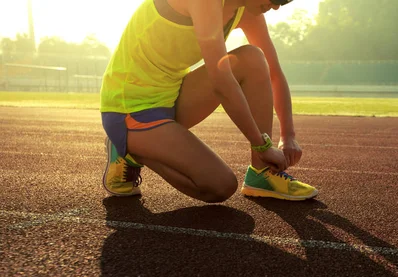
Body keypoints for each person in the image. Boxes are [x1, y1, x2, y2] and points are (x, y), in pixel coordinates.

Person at [100, 0, 318, 202]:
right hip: (131, 107)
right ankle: (129, 151)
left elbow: (274, 74)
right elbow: (221, 82)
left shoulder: (246, 10)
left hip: (171, 96)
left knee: (253, 59)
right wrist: (262, 145)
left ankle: (262, 174)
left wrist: (288, 136)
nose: (278, 6)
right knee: (220, 186)